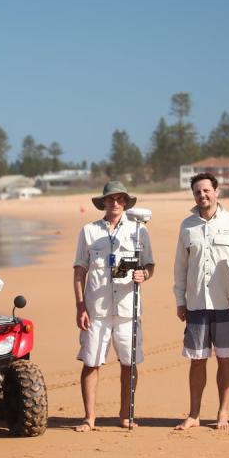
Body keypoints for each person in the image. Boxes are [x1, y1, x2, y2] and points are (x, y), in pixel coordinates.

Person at [173, 172, 229, 430]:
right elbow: (180, 267)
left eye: (206, 190)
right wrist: (180, 300)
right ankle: (194, 414)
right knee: (197, 360)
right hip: (196, 304)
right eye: (197, 192)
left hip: (227, 304)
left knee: (225, 359)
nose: (202, 195)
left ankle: (223, 412)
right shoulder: (187, 226)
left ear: (217, 191)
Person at [73, 181, 154, 431]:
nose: (115, 203)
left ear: (126, 202)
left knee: (129, 363)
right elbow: (79, 272)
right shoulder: (89, 231)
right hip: (96, 310)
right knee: (91, 362)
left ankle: (125, 414)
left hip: (127, 308)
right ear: (104, 202)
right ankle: (89, 417)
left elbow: (149, 265)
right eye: (111, 199)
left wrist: (144, 275)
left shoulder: (139, 230)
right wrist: (80, 307)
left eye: (120, 199)